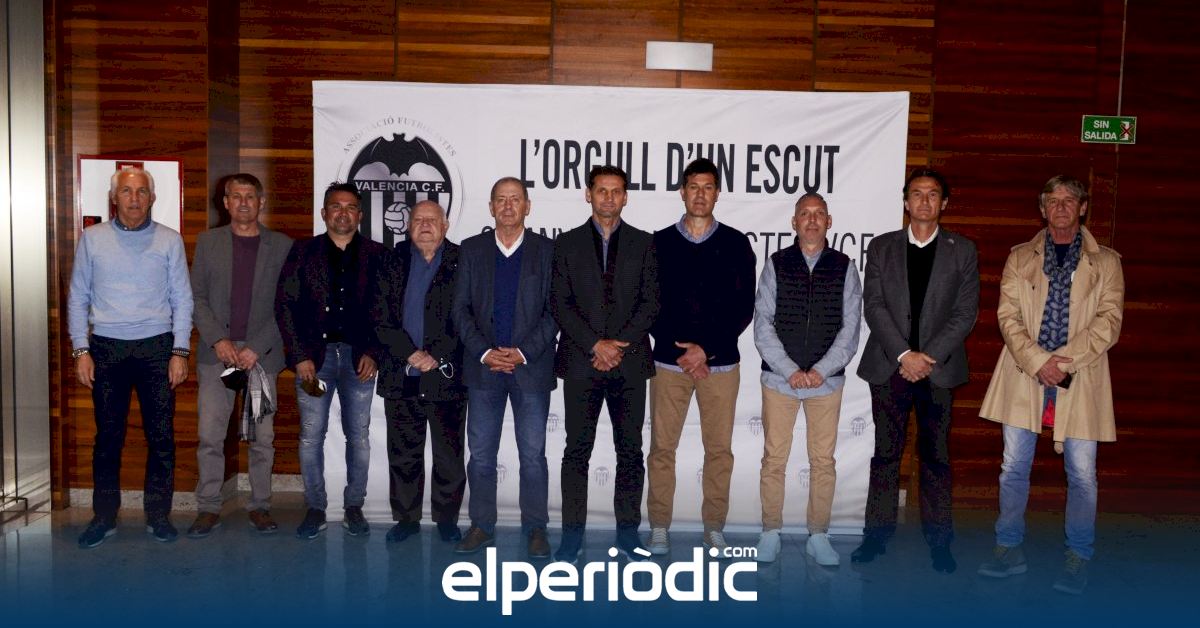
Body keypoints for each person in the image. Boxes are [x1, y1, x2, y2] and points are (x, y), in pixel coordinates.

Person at [977, 175, 1124, 595]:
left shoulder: (1107, 262)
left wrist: (1063, 363)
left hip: (1082, 376)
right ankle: (1008, 548)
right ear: (1042, 208)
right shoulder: (1019, 257)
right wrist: (1039, 361)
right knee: (1013, 468)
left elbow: (1109, 321)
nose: (1060, 207)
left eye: (1069, 200)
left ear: (1083, 207)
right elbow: (1008, 316)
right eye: (1052, 200)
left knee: (1082, 474)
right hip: (1024, 373)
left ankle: (1078, 556)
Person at [853, 168, 979, 573]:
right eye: (917, 194)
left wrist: (926, 358)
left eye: (933, 194)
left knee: (936, 457)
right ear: (905, 201)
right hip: (890, 367)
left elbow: (965, 313)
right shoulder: (882, 248)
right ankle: (876, 536)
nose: (924, 201)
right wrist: (905, 354)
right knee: (885, 456)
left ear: (944, 203)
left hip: (938, 371)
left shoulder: (963, 251)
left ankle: (940, 541)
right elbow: (874, 306)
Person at [68, 167, 193, 547]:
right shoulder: (92, 239)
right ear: (114, 198)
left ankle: (159, 516)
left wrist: (180, 350)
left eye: (141, 191)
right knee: (108, 438)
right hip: (106, 348)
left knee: (161, 437)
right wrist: (81, 349)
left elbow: (182, 298)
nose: (134, 198)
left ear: (152, 198)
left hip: (157, 348)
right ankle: (103, 517)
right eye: (126, 191)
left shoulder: (170, 241)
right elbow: (78, 296)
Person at [645, 158, 755, 556]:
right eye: (694, 186)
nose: (700, 194)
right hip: (668, 363)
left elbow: (743, 307)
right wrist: (683, 350)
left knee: (719, 451)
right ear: (683, 191)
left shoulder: (736, 243)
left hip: (719, 364)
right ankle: (659, 526)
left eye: (708, 187)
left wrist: (705, 349)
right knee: (662, 449)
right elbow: (649, 304)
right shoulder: (659, 243)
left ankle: (713, 528)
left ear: (717, 193)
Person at [550, 165, 659, 563]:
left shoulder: (645, 243)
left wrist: (618, 345)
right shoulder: (567, 244)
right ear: (588, 194)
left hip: (629, 365)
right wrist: (595, 344)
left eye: (616, 191)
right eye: (602, 190)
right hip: (582, 362)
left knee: (630, 451)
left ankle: (628, 536)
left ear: (625, 197)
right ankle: (571, 537)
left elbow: (651, 302)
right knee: (576, 452)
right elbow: (559, 302)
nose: (609, 198)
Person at [752, 193, 862, 565]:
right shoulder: (776, 264)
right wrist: (789, 370)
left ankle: (818, 535)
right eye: (805, 214)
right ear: (794, 222)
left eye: (818, 214)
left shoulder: (845, 267)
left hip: (825, 383)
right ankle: (770, 532)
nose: (812, 220)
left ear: (829, 222)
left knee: (823, 461)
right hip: (779, 381)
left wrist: (820, 371)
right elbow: (763, 325)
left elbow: (850, 329)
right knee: (774, 460)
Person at [451, 178, 557, 558]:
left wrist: (523, 352)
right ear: (491, 207)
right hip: (484, 371)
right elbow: (460, 309)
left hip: (531, 369)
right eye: (501, 199)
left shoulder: (548, 251)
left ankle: (536, 528)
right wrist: (485, 352)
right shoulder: (471, 249)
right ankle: (481, 525)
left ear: (528, 206)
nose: (508, 206)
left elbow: (556, 310)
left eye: (516, 199)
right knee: (481, 455)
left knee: (532, 456)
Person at [276, 182, 385, 539]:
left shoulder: (377, 255)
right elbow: (285, 305)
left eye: (350, 207)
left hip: (358, 361)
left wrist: (374, 352)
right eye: (336, 206)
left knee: (359, 437)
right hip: (314, 363)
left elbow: (387, 309)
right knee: (311, 435)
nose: (343, 213)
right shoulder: (302, 252)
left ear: (360, 215)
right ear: (324, 213)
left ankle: (354, 506)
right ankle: (315, 507)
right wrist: (299, 357)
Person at [187, 173, 293, 538]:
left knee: (263, 438)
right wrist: (218, 340)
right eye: (236, 196)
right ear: (226, 203)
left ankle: (260, 505)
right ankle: (208, 506)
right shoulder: (208, 242)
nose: (244, 202)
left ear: (261, 202)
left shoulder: (282, 246)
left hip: (260, 357)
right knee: (210, 436)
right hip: (217, 355)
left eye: (250, 196)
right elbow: (196, 297)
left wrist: (255, 348)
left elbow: (287, 304)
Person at [373, 200, 467, 545]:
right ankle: (406, 518)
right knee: (403, 454)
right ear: (408, 225)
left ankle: (447, 519)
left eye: (432, 220)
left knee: (449, 455)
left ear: (445, 225)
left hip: (447, 375)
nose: (425, 225)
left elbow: (469, 316)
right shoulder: (391, 261)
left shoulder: (462, 261)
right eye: (418, 220)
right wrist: (411, 353)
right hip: (401, 373)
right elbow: (379, 316)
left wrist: (436, 355)